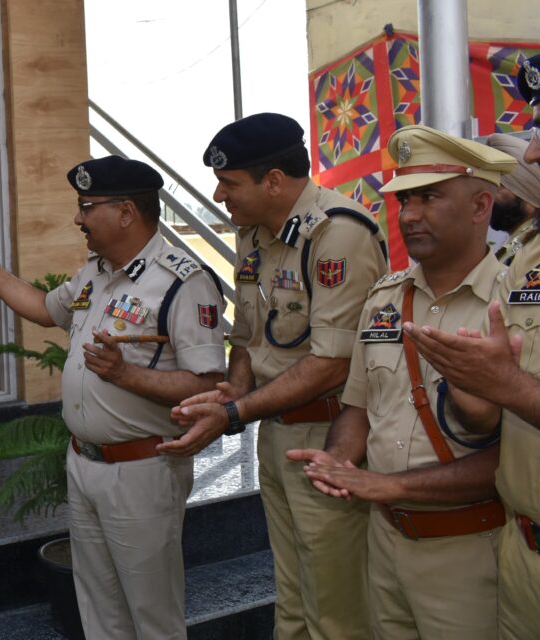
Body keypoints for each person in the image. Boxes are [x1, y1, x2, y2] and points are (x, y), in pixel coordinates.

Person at [0, 155, 227, 638]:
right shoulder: (96, 272)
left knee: (153, 616)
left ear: (126, 212)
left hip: (142, 470)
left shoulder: (183, 281)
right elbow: (41, 308)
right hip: (84, 465)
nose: (77, 218)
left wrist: (126, 375)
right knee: (98, 612)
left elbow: (207, 386)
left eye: (86, 207)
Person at [164, 113, 388, 640]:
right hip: (278, 433)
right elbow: (248, 335)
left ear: (273, 181)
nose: (219, 195)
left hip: (329, 438)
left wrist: (234, 412)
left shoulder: (338, 232)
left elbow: (333, 360)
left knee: (336, 608)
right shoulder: (255, 234)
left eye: (230, 182)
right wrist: (237, 389)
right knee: (290, 598)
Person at [288, 125, 516, 639]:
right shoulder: (386, 297)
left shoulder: (513, 304)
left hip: (469, 550)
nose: (408, 215)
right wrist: (339, 462)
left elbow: (518, 453)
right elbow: (359, 407)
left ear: (481, 205)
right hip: (386, 540)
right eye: (404, 200)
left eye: (428, 198)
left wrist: (389, 484)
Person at [406, 45, 540, 639]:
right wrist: (474, 396)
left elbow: (519, 389)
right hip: (524, 568)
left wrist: (508, 385)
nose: (532, 152)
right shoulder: (538, 251)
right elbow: (492, 417)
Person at [484, 132, 540, 265]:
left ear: (527, 195)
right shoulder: (517, 245)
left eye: (499, 186)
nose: (488, 195)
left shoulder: (539, 248)